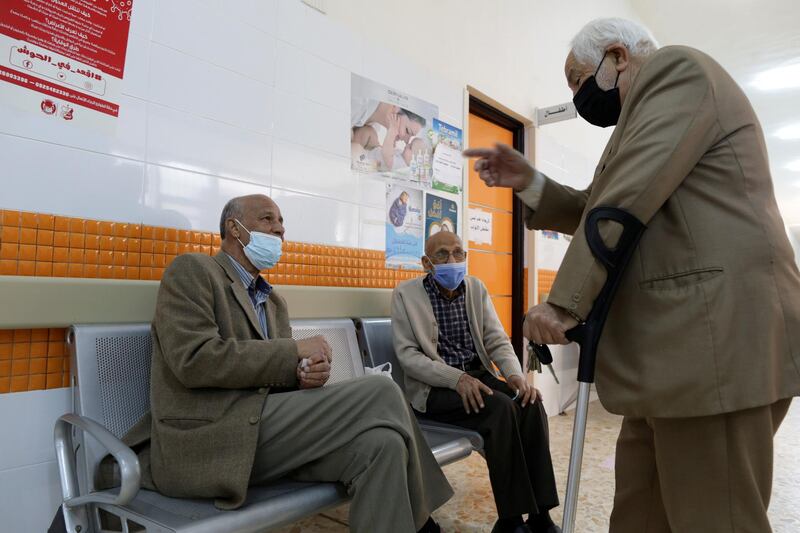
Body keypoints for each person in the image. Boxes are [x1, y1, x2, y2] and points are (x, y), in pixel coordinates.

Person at [464, 17, 800, 533]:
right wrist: (529, 181)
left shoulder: (677, 72)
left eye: (578, 80)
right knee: (640, 515)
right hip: (672, 355)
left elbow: (625, 199)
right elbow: (597, 206)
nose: (577, 96)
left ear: (618, 56)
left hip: (715, 348)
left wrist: (565, 302)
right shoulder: (641, 117)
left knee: (717, 518)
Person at [112, 194, 453, 533]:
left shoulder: (273, 302)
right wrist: (293, 354)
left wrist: (305, 376)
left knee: (382, 445)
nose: (280, 229)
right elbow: (195, 360)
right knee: (381, 390)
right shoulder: (194, 272)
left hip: (263, 437)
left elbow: (279, 374)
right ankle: (427, 527)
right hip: (211, 439)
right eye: (267, 219)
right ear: (234, 228)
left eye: (281, 223)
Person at [392, 230, 561, 533]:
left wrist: (514, 376)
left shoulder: (476, 289)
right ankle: (511, 521)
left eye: (458, 252)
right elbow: (409, 357)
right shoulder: (406, 294)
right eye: (442, 254)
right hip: (435, 390)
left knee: (530, 403)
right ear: (426, 263)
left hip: (478, 377)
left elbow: (496, 339)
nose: (452, 260)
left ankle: (540, 515)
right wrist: (456, 379)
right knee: (500, 410)